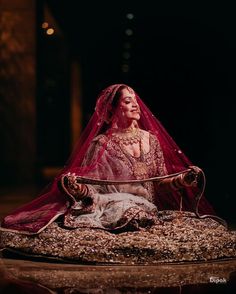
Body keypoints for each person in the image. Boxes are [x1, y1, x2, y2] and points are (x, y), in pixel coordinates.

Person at [0, 84, 235, 263]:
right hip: (112, 205)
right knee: (125, 213)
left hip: (148, 208)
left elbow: (160, 181)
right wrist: (76, 188)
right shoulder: (102, 143)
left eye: (135, 101)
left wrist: (182, 179)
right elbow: (92, 186)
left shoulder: (150, 140)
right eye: (127, 101)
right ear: (112, 109)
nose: (135, 105)